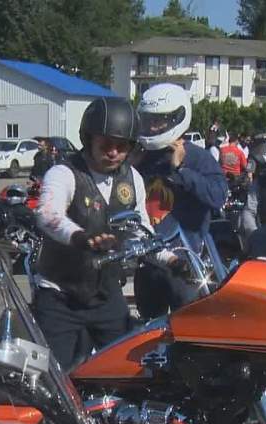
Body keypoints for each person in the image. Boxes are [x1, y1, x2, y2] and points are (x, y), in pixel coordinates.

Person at [33, 96, 151, 368]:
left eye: (122, 147)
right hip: (60, 296)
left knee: (127, 370)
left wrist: (171, 260)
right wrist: (79, 237)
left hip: (107, 295)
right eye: (106, 144)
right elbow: (47, 214)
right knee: (54, 380)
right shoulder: (64, 173)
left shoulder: (133, 179)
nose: (113, 153)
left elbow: (141, 228)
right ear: (88, 139)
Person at [132, 83, 228, 319]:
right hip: (149, 262)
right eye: (149, 120)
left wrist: (182, 169)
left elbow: (218, 196)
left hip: (186, 264)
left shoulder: (196, 156)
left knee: (189, 329)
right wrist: (129, 166)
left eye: (159, 121)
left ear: (177, 118)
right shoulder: (140, 157)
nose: (153, 126)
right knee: (148, 330)